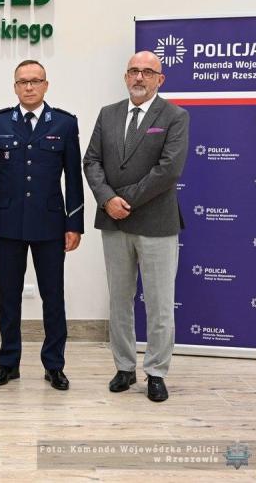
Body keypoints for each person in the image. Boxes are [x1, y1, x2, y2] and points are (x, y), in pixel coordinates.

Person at [83, 51, 189, 403]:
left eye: (147, 72)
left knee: (159, 304)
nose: (139, 77)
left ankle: (156, 372)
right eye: (133, 71)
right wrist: (107, 199)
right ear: (125, 77)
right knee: (120, 300)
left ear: (161, 79)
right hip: (113, 222)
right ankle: (124, 368)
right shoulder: (108, 114)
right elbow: (91, 161)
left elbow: (169, 169)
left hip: (156, 222)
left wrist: (123, 199)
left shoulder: (175, 116)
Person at [0, 60, 84, 391]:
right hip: (7, 223)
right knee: (8, 298)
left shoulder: (65, 123)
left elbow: (74, 178)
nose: (29, 86)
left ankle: (54, 365)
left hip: (50, 224)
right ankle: (8, 363)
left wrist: (74, 222)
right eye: (23, 81)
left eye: (35, 81)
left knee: (53, 297)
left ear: (46, 85)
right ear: (14, 87)